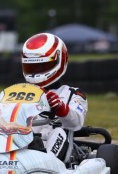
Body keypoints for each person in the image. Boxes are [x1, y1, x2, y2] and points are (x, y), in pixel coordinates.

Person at [21, 33, 88, 161]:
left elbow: (76, 123)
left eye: (41, 67)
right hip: (22, 144)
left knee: (58, 133)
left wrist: (61, 108)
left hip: (54, 149)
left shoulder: (73, 94)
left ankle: (45, 165)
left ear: (59, 61)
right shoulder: (20, 92)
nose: (35, 72)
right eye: (31, 67)